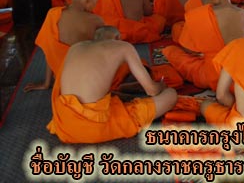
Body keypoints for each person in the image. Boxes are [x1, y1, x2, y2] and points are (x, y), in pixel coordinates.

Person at [47, 37, 177, 143]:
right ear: (117, 38)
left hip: (65, 126)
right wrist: (161, 86)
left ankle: (128, 92)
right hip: (95, 128)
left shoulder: (74, 47)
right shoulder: (124, 47)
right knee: (171, 95)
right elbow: (152, 91)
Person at [163, 0, 244, 90]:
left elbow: (189, 50)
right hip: (241, 74)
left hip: (213, 76)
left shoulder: (198, 15)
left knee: (170, 51)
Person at [24, 0, 105, 92]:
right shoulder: (96, 20)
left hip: (62, 77)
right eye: (96, 1)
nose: (96, 5)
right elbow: (103, 51)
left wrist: (46, 84)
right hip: (86, 77)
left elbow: (50, 51)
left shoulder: (53, 14)